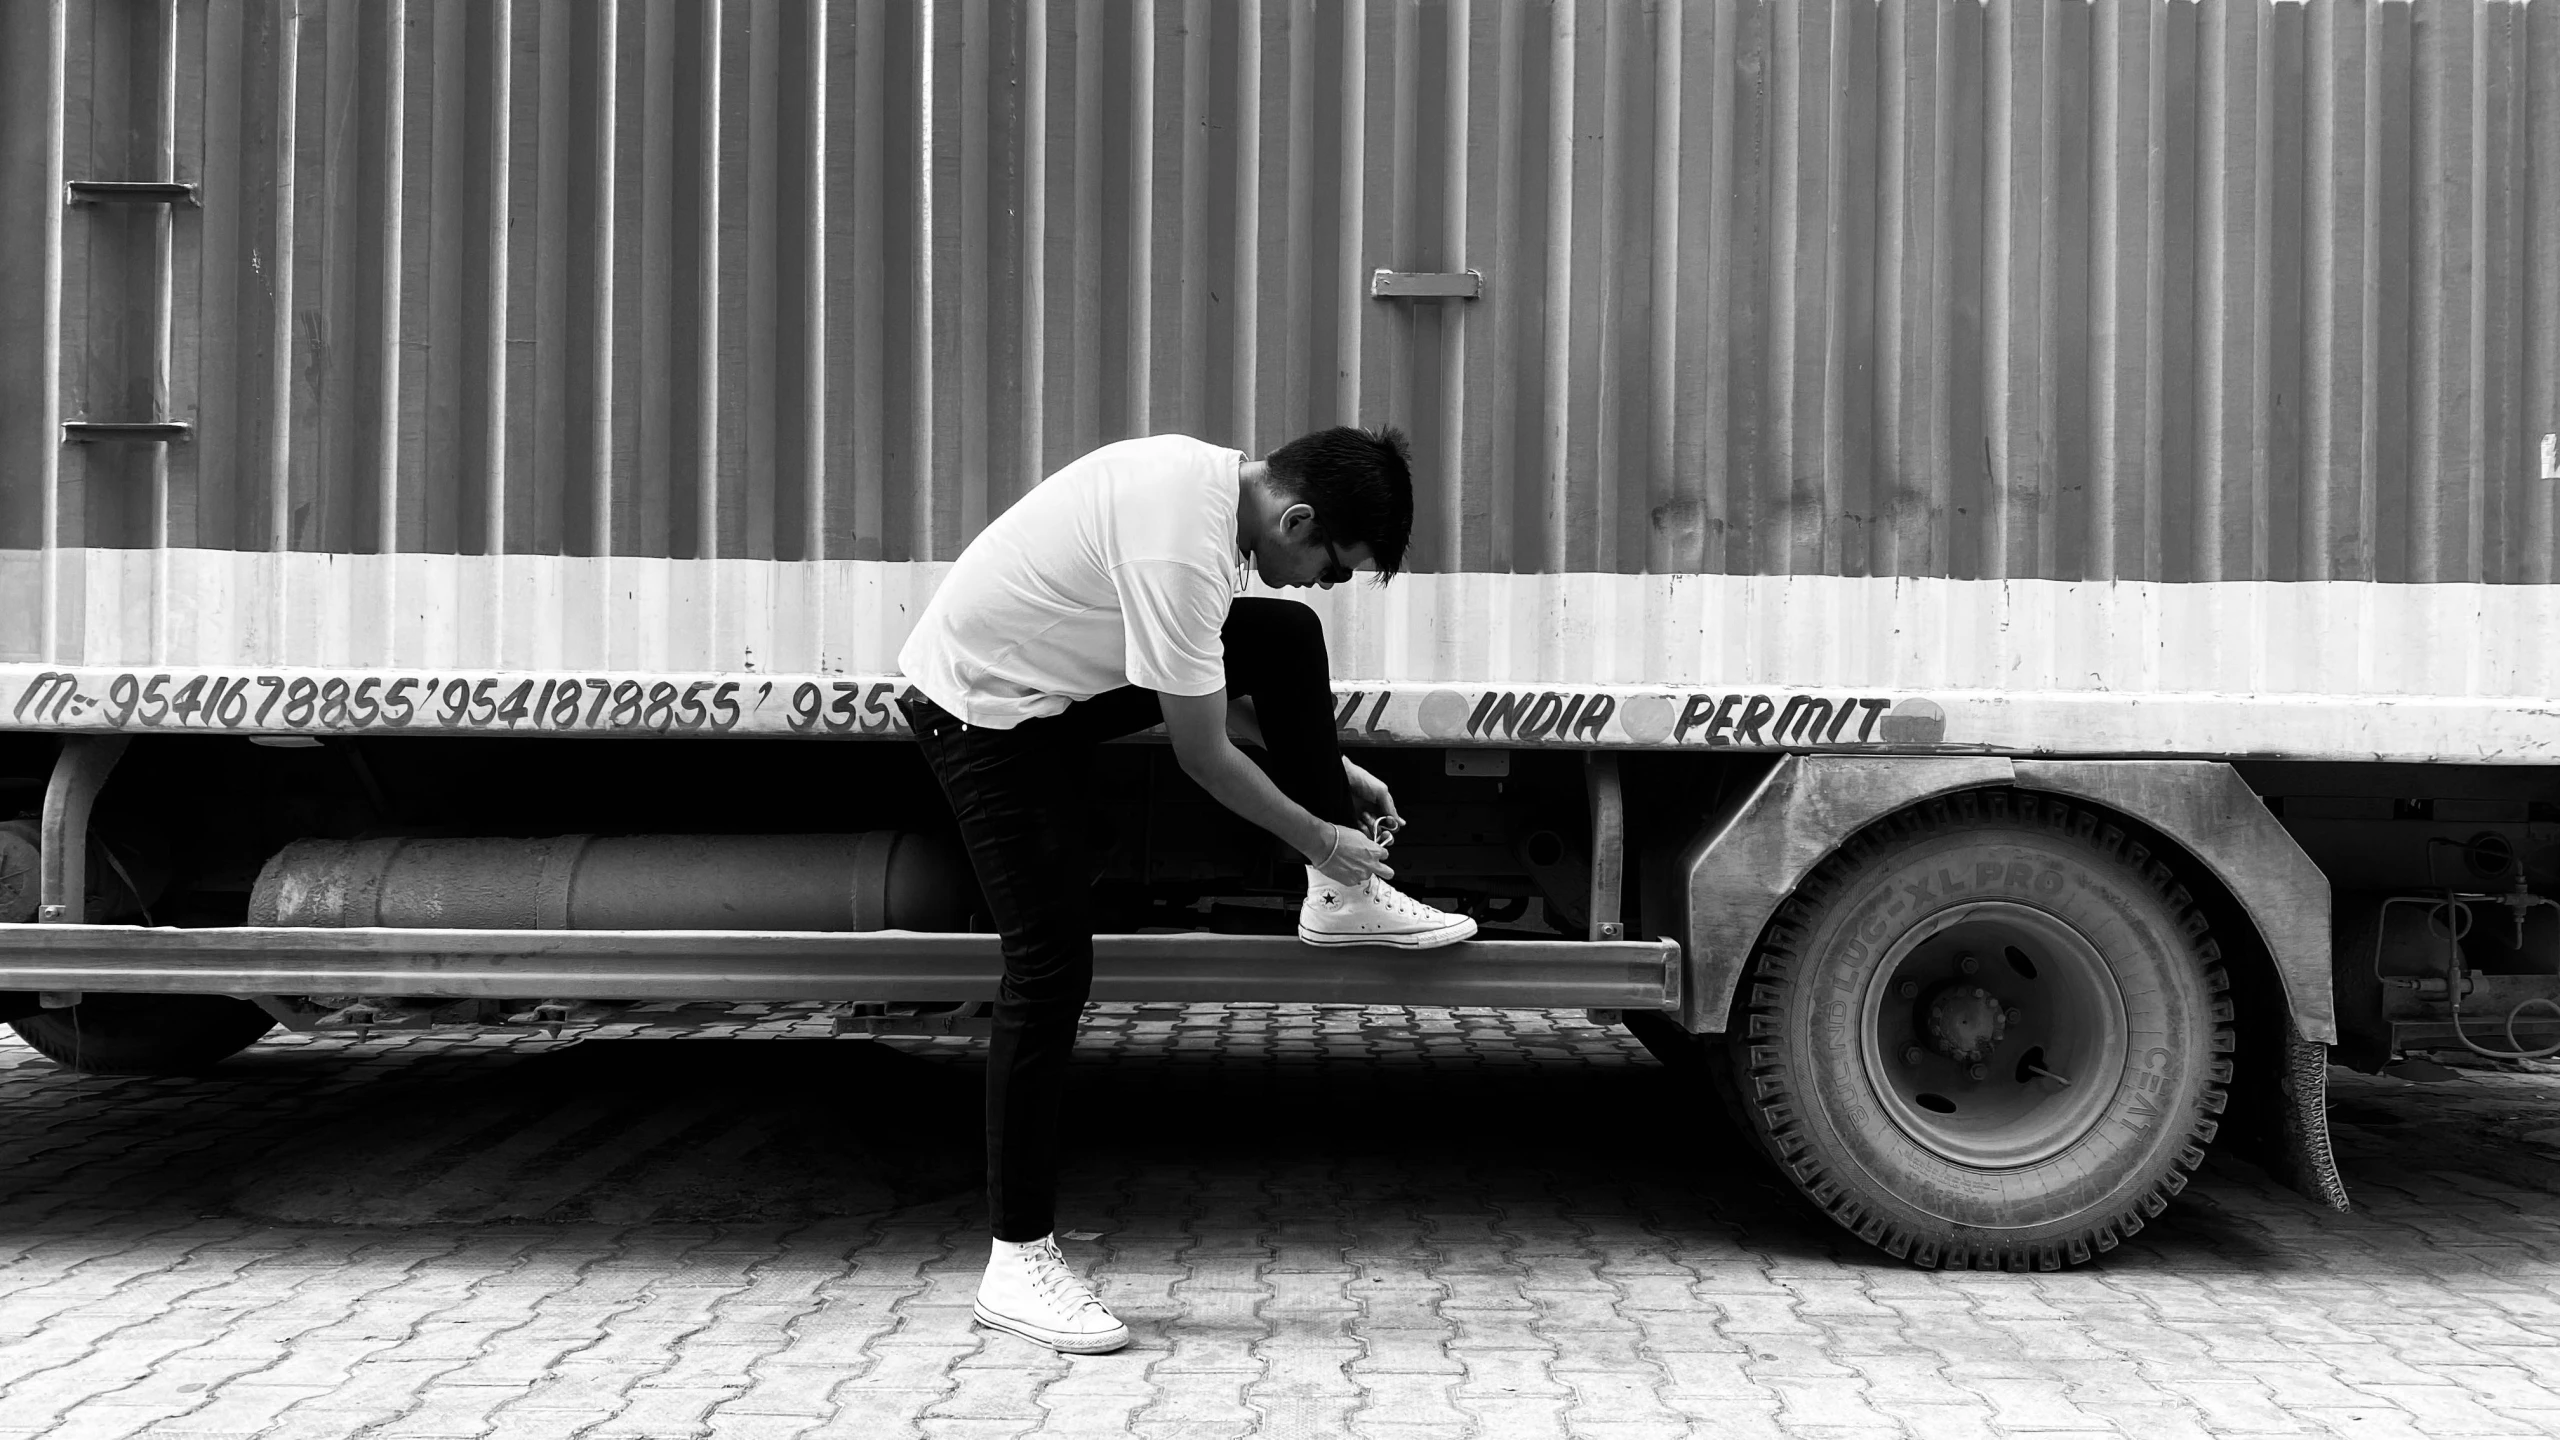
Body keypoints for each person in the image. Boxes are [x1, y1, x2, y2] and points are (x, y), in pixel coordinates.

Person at [895, 425, 1476, 1354]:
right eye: (1331, 566)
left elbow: (1201, 683)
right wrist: (1323, 834)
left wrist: (1331, 768)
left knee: (1284, 634)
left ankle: (1337, 900)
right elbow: (1202, 755)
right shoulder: (1182, 547)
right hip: (986, 716)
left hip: (1051, 690)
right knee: (1048, 975)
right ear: (1296, 516)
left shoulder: (1207, 489)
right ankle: (1016, 1263)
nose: (1320, 582)